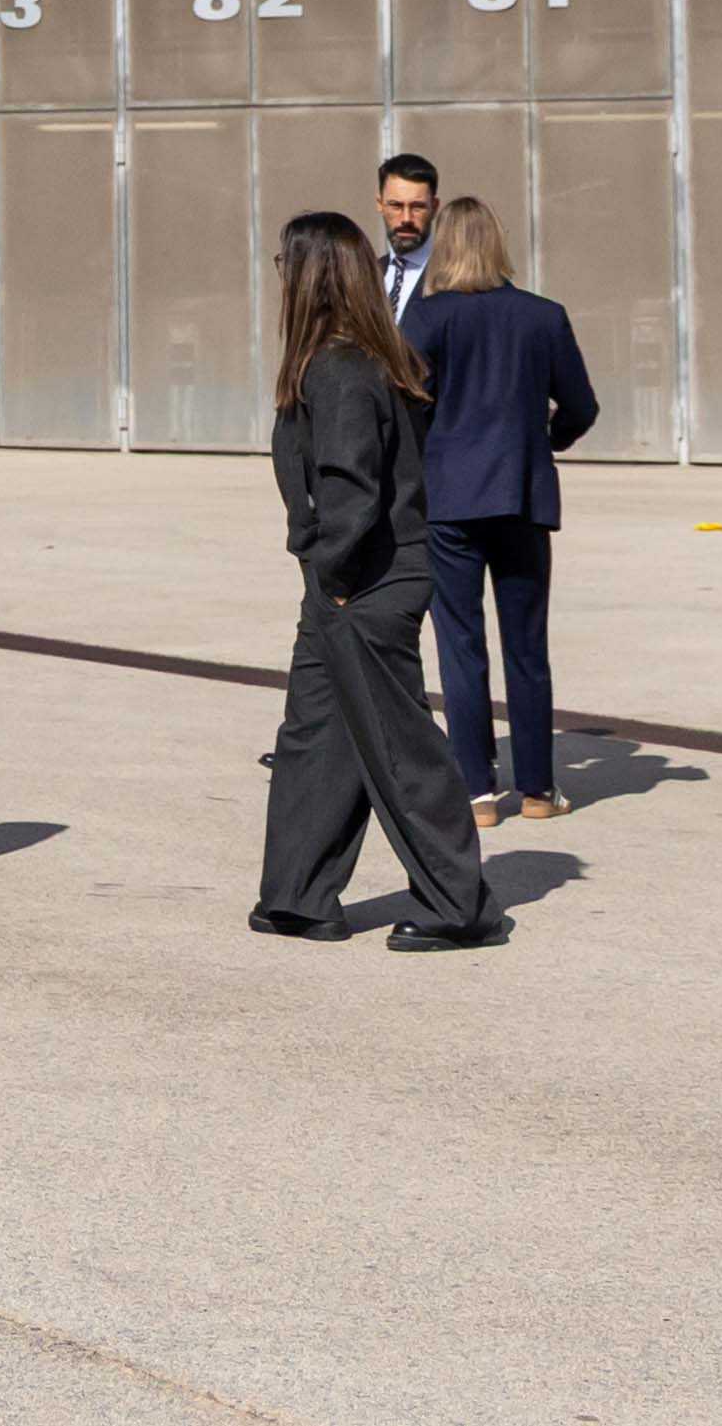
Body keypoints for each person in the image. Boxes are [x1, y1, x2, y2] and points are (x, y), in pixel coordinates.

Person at [250, 211, 506, 953]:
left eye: (284, 264)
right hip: (343, 580)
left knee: (397, 748)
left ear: (312, 277)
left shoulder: (339, 367)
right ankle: (298, 895)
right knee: (315, 736)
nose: (279, 277)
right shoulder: (353, 359)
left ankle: (460, 906)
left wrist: (332, 575)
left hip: (363, 581)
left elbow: (353, 490)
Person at [405, 194, 601, 832]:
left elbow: (404, 406)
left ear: (444, 247)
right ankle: (539, 789)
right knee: (527, 645)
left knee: (460, 645)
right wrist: (550, 438)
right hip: (521, 495)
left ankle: (477, 792)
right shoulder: (543, 316)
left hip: (449, 500)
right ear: (497, 242)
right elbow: (582, 406)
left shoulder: (425, 319)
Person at [374, 153, 440, 323]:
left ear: (434, 207)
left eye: (417, 207)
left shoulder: (453, 276)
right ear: (380, 204)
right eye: (396, 206)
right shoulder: (368, 276)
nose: (406, 219)